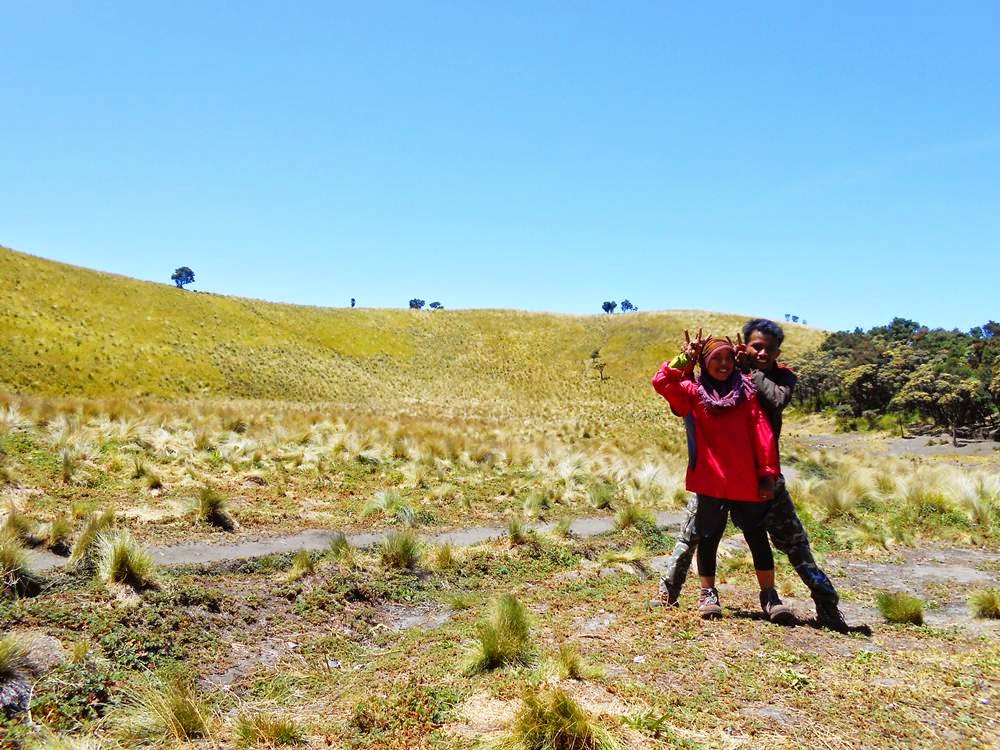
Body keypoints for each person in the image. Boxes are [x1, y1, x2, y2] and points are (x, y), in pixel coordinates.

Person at [656, 319, 851, 632]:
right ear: (743, 346)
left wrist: (747, 370)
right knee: (695, 537)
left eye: (769, 348)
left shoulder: (773, 378)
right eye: (755, 347)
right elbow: (668, 387)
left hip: (760, 479)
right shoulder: (702, 387)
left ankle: (823, 604)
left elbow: (773, 405)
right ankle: (672, 594)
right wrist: (686, 360)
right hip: (713, 479)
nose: (762, 352)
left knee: (789, 543)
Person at [651, 332, 793, 622]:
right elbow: (661, 382)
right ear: (704, 362)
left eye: (728, 357)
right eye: (716, 358)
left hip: (746, 480)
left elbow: (761, 433)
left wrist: (768, 473)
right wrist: (685, 358)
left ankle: (769, 595)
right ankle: (708, 594)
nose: (724, 363)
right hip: (710, 481)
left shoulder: (747, 392)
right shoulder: (692, 392)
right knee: (708, 537)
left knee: (756, 537)